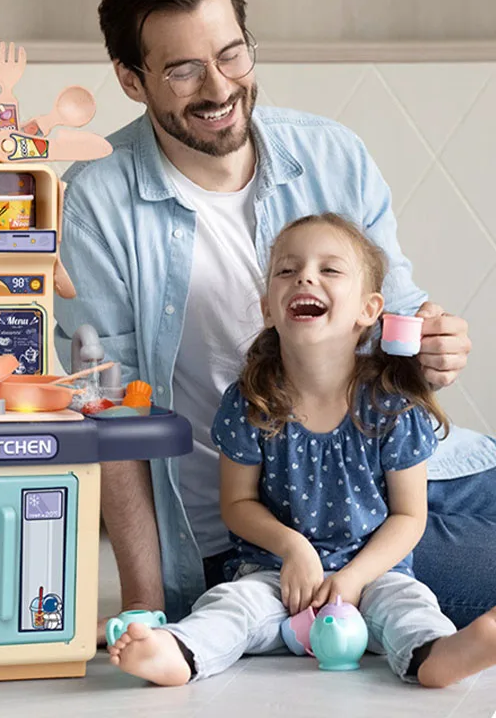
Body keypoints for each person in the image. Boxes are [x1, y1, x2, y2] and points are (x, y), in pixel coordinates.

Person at [53, 0, 496, 632]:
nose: (219, 87)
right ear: (132, 80)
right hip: (279, 535)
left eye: (232, 54)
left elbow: (398, 320)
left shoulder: (331, 154)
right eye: (182, 69)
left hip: (410, 471)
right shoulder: (94, 203)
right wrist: (149, 607)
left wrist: (434, 346)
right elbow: (112, 418)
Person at [107, 214, 496, 688]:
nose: (305, 277)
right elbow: (237, 504)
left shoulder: (391, 404)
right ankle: (177, 651)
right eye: (287, 271)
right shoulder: (250, 401)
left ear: (370, 309)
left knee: (409, 607)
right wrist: (292, 548)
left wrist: (353, 579)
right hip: (275, 572)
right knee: (232, 605)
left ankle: (439, 654)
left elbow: (410, 517)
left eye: (329, 270)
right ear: (268, 306)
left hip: (373, 572)